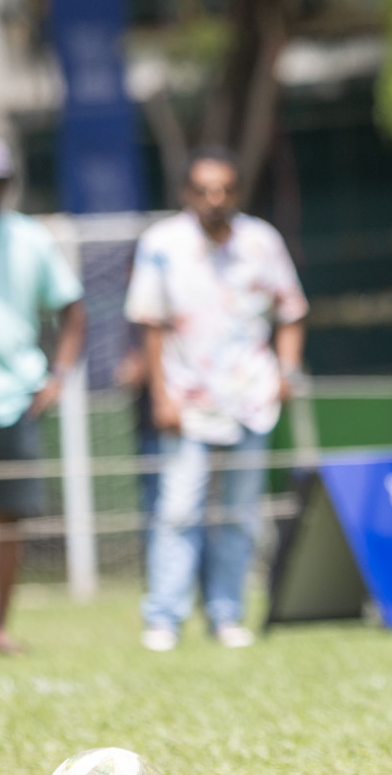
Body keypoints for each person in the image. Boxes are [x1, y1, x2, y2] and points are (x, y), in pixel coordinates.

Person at [124, 148, 308, 651]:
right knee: (178, 510)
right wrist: (159, 395)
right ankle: (164, 617)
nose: (215, 200)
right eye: (204, 191)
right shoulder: (162, 244)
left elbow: (291, 310)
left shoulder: (261, 241)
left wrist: (285, 373)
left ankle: (227, 615)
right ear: (187, 195)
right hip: (186, 401)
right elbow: (150, 327)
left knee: (240, 515)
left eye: (224, 190)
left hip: (251, 396)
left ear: (237, 193)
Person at [0, 135, 86, 654]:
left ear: (8, 185)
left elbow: (73, 309)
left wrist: (58, 376)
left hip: (18, 399)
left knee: (10, 519)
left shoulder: (31, 239)